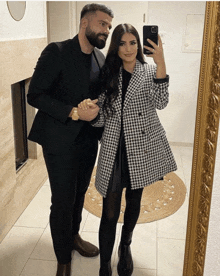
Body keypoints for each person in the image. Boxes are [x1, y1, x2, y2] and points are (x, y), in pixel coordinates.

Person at [78, 23, 177, 276]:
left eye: (133, 42)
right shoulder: (108, 73)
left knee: (134, 202)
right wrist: (91, 115)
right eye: (122, 43)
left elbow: (161, 102)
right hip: (113, 147)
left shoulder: (150, 71)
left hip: (141, 148)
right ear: (116, 46)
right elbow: (102, 118)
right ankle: (104, 265)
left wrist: (161, 60)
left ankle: (125, 246)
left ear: (139, 45)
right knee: (109, 211)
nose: (129, 48)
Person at [27, 4, 113, 276]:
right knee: (62, 200)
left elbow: (100, 99)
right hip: (59, 141)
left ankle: (73, 236)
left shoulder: (100, 59)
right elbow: (34, 95)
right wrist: (73, 111)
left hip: (88, 142)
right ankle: (63, 258)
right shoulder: (57, 51)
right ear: (84, 23)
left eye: (109, 26)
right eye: (102, 24)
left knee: (78, 196)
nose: (106, 31)